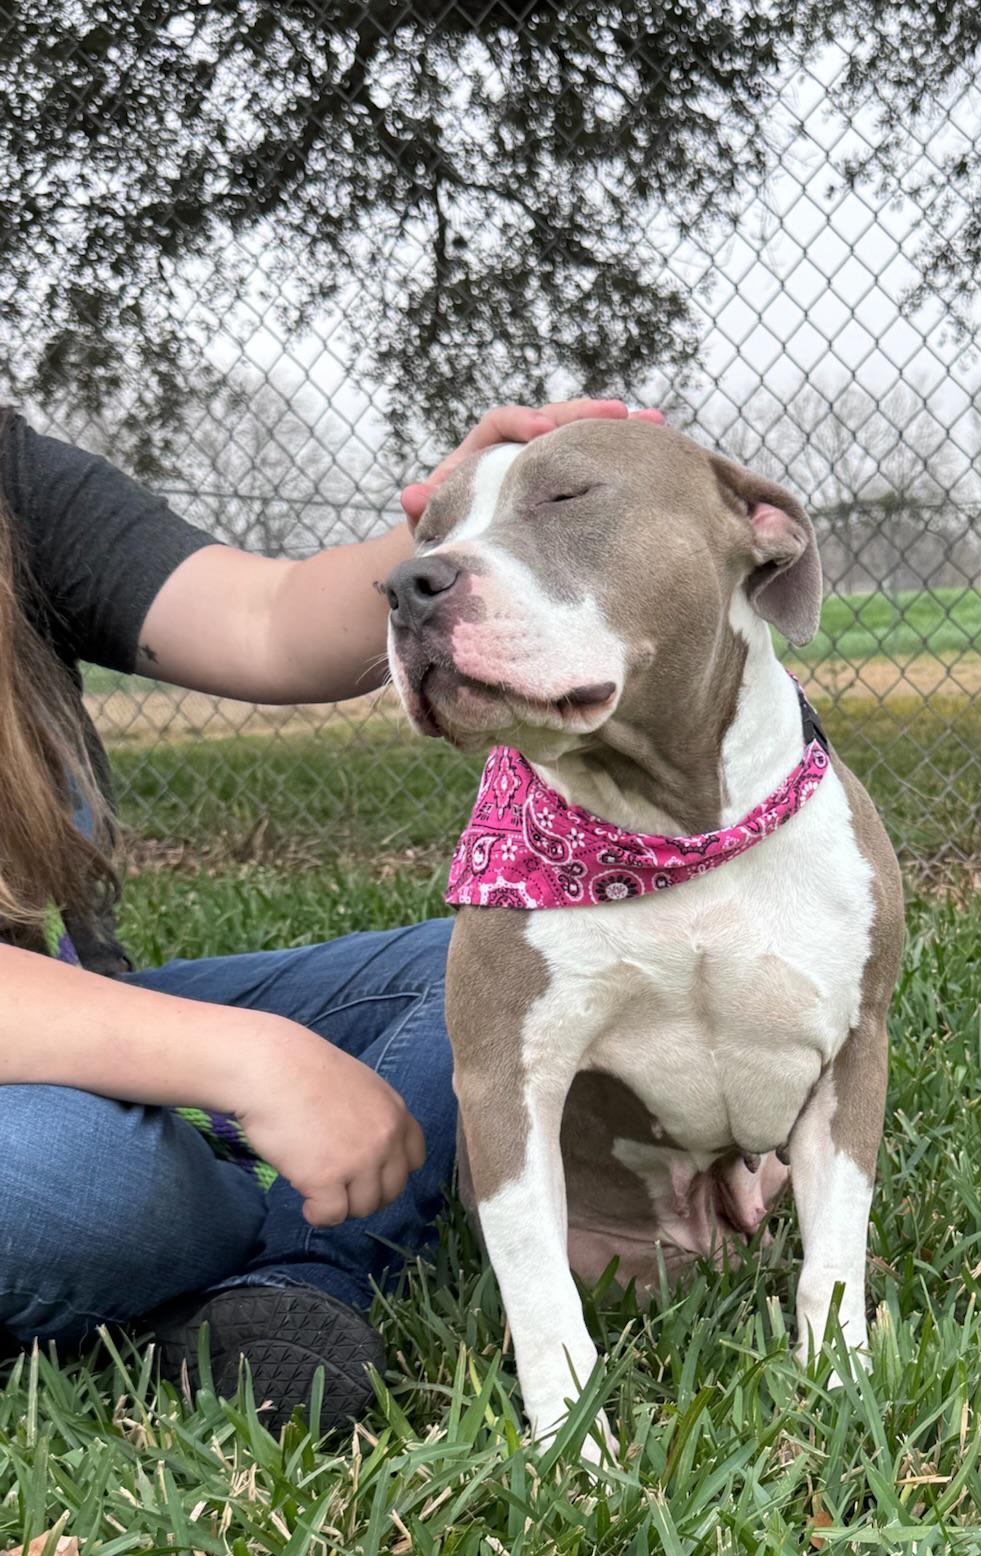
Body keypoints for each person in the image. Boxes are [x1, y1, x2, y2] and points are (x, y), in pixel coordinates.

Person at [0, 394, 659, 1432]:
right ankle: (227, 1201)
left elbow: (266, 619)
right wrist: (246, 1062)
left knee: (479, 971)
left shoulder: (14, 479)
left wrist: (458, 517)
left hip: (53, 1015)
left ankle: (293, 1282)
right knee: (74, 1173)